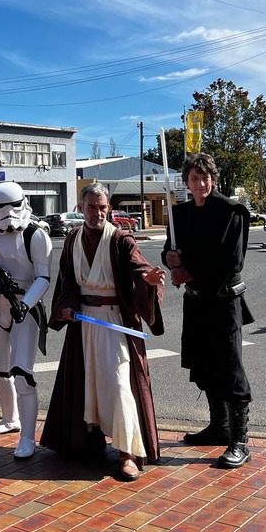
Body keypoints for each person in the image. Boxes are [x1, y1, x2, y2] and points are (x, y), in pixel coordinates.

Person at [39, 183, 166, 481]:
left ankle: (127, 453)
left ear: (109, 208)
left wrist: (147, 279)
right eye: (92, 207)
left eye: (103, 207)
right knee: (86, 385)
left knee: (120, 386)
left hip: (114, 323)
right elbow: (67, 282)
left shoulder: (121, 239)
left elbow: (138, 267)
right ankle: (87, 442)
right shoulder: (72, 239)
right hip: (83, 323)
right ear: (81, 208)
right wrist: (67, 307)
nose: (98, 212)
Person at [162, 153, 255, 469]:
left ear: (212, 179)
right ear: (186, 182)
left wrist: (188, 273)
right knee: (203, 366)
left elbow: (231, 261)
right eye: (193, 178)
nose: (199, 183)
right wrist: (171, 260)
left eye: (204, 178)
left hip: (223, 301)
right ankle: (219, 426)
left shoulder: (231, 212)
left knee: (230, 370)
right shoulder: (179, 214)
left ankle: (239, 441)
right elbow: (169, 251)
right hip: (196, 302)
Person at [0, 181, 53, 460]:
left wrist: (25, 304)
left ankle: (27, 436)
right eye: (1, 207)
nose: (8, 214)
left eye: (14, 206)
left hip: (24, 309)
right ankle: (9, 418)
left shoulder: (36, 235)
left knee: (23, 374)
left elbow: (43, 277)